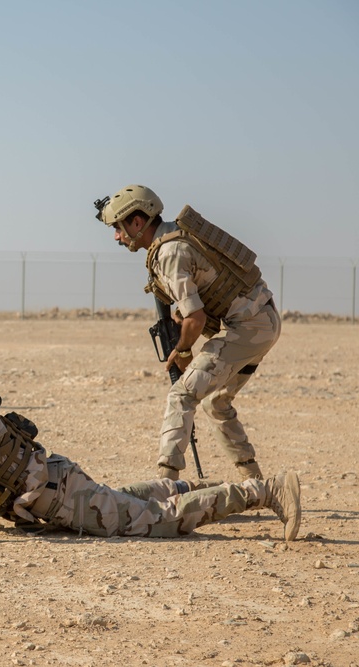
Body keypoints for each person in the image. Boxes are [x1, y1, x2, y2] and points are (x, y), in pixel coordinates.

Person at [0, 348, 301, 542]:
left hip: (58, 496)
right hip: (51, 494)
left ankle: (264, 491)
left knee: (160, 523)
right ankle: (209, 486)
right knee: (132, 501)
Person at [94, 185, 280, 481]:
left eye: (118, 228)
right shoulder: (173, 238)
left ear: (138, 223)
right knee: (215, 400)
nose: (117, 236)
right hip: (260, 320)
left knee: (182, 395)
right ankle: (255, 482)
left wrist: (182, 352)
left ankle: (165, 484)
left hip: (249, 327)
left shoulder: (169, 252)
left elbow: (195, 318)